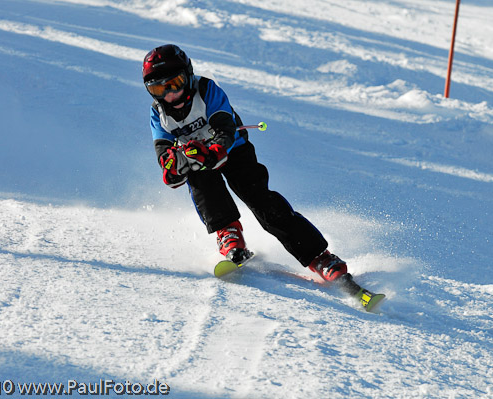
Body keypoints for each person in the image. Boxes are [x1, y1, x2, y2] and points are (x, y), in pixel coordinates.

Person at [142, 44, 347, 281]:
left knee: (260, 199)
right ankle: (227, 231)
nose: (170, 95)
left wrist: (213, 151)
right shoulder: (158, 112)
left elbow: (225, 127)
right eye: (158, 89)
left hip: (234, 150)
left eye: (174, 84)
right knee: (201, 181)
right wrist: (171, 167)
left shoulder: (206, 89)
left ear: (187, 75)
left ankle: (319, 256)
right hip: (196, 157)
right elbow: (163, 149)